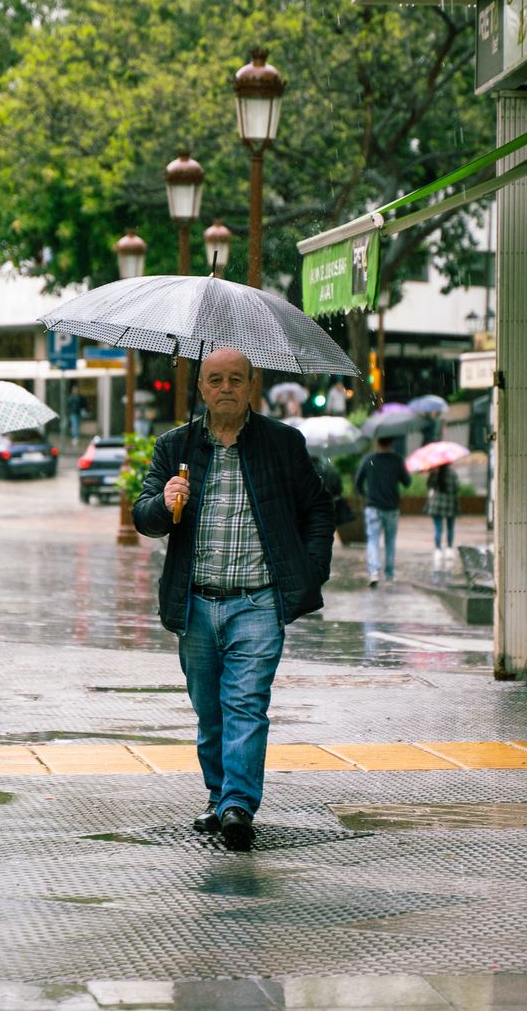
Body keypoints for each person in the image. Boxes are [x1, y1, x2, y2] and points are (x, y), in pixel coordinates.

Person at [134, 347, 334, 851]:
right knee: (210, 710)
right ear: (201, 387)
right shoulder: (175, 446)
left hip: (258, 601)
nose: (226, 388)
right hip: (196, 603)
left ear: (252, 385)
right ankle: (217, 793)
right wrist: (164, 502)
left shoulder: (282, 443)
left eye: (236, 379)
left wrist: (310, 570)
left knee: (245, 702)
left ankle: (238, 805)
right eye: (216, 379)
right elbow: (144, 517)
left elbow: (317, 509)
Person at [354, 437, 409, 587]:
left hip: (373, 507)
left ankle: (374, 573)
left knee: (372, 540)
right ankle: (389, 574)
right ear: (391, 443)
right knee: (390, 541)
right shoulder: (397, 460)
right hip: (392, 508)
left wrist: (366, 495)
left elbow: (358, 482)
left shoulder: (368, 460)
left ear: (377, 442)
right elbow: (407, 482)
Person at [425, 464, 460, 568]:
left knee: (438, 528)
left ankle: (438, 550)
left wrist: (430, 472)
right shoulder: (453, 473)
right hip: (450, 504)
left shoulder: (434, 473)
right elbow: (457, 488)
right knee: (450, 528)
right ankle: (449, 549)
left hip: (436, 505)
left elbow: (429, 486)